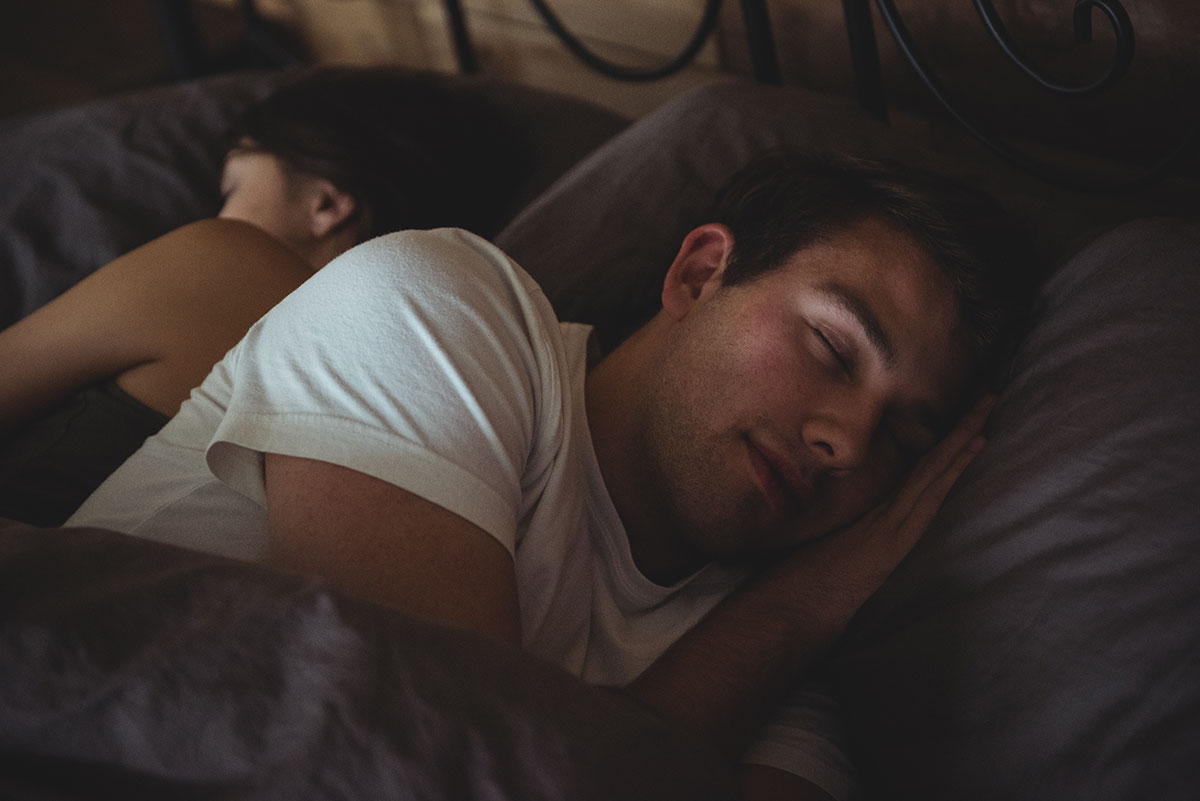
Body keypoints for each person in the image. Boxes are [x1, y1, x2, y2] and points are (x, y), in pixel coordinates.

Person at [67, 150, 1033, 801]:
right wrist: (787, 618)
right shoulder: (439, 312)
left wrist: (786, 626)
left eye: (904, 439)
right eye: (830, 347)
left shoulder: (775, 674)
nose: (850, 444)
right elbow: (427, 764)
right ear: (699, 276)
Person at [0, 65, 526, 525]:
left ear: (326, 202)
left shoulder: (223, 262)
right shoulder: (438, 367)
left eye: (231, 189)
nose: (214, 215)